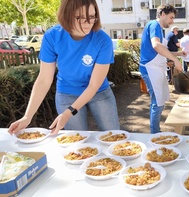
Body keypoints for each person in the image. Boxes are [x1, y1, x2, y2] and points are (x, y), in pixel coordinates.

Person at [8, 0, 120, 135]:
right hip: (67, 92)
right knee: (77, 142)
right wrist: (27, 116)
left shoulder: (103, 40)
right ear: (67, 15)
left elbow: (93, 85)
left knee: (114, 136)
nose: (88, 22)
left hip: (99, 92)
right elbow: (44, 79)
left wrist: (69, 112)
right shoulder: (52, 36)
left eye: (92, 16)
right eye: (80, 17)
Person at [139, 4, 185, 134]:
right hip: (150, 69)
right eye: (171, 17)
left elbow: (161, 51)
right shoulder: (154, 25)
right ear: (162, 14)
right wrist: (175, 60)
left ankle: (156, 132)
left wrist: (178, 54)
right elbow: (156, 45)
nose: (172, 21)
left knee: (160, 102)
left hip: (156, 69)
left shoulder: (159, 28)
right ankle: (155, 134)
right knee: (157, 103)